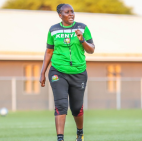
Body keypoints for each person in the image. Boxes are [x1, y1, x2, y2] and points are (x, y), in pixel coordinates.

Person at [40, 3, 95, 141]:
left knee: (76, 108)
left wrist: (82, 39)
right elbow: (49, 51)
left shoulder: (82, 27)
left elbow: (91, 50)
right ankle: (60, 138)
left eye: (72, 11)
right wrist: (42, 72)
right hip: (58, 71)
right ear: (60, 15)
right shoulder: (53, 30)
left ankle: (80, 133)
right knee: (61, 104)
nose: (71, 14)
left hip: (78, 72)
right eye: (67, 12)